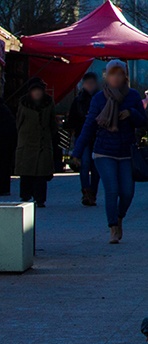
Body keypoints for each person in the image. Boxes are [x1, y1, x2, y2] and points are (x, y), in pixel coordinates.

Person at [72, 60, 147, 244]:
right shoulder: (99, 98)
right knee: (112, 189)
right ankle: (113, 226)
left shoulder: (133, 96)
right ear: (107, 76)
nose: (116, 77)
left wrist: (131, 113)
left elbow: (143, 122)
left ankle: (120, 217)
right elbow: (89, 126)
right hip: (104, 152)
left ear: (125, 76)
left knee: (128, 192)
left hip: (126, 151)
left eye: (120, 73)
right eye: (112, 73)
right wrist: (77, 152)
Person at [15, 78, 57, 208]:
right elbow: (19, 121)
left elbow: (52, 122)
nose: (37, 93)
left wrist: (53, 137)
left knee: (41, 174)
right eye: (35, 91)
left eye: (39, 91)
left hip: (43, 143)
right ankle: (25, 196)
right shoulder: (24, 103)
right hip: (27, 142)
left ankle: (40, 199)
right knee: (26, 172)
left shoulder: (48, 103)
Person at [67, 73, 101, 206]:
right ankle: (86, 192)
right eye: (88, 83)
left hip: (97, 137)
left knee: (96, 167)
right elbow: (72, 120)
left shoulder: (101, 99)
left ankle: (93, 193)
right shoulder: (78, 100)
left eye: (92, 83)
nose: (90, 85)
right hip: (83, 136)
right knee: (85, 164)